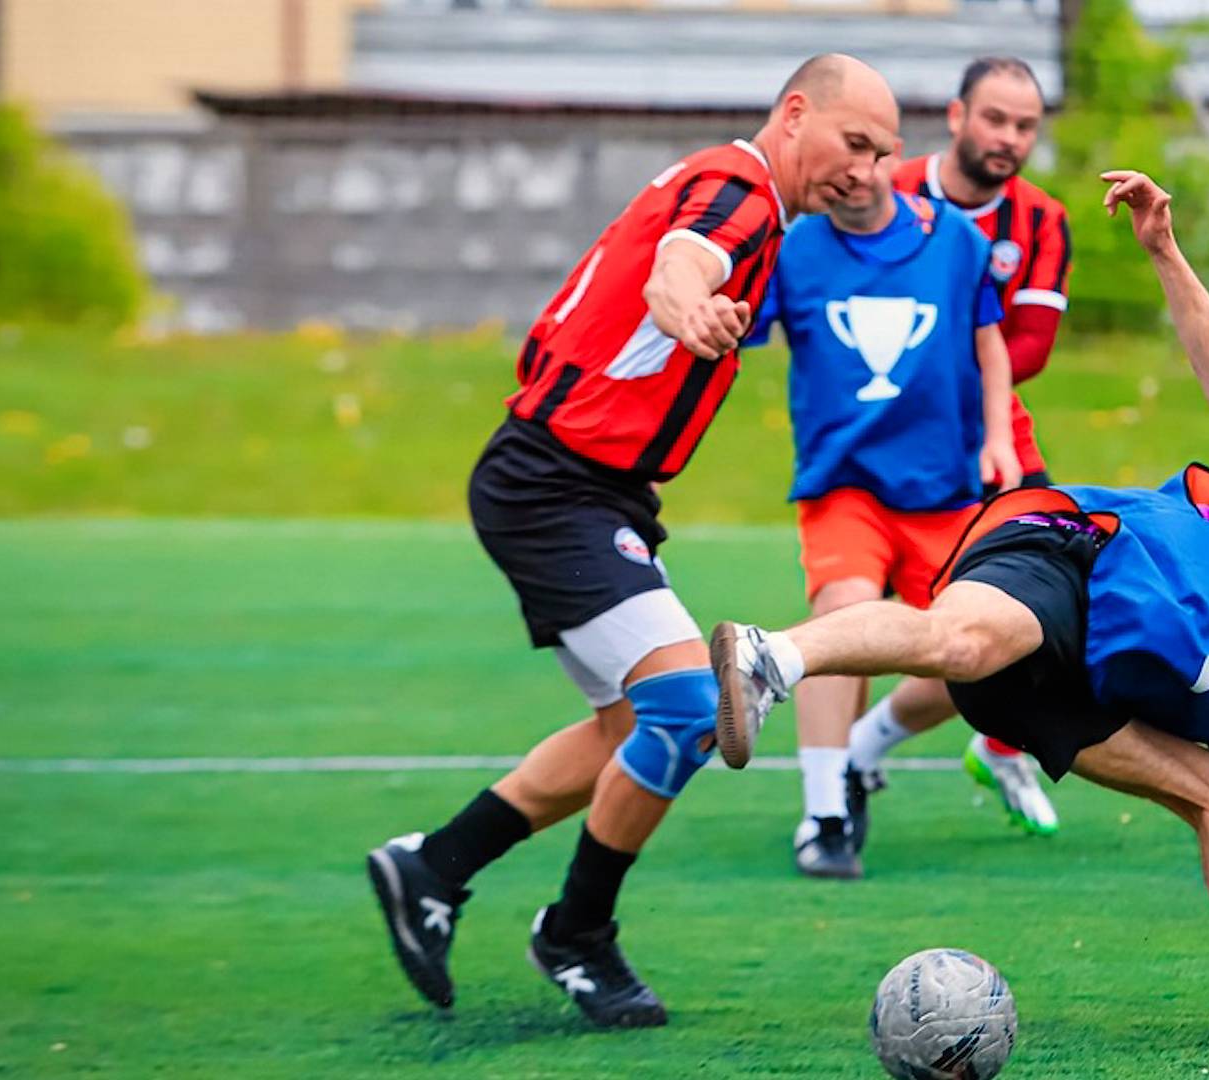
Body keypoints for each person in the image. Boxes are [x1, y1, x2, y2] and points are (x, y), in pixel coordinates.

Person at [711, 170, 1209, 1052]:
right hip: (1075, 558)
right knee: (965, 639)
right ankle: (771, 658)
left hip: (1057, 693)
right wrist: (1165, 251)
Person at [363, 54, 900, 1028]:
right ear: (794, 114)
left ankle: (433, 868)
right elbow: (678, 266)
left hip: (587, 490)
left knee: (630, 731)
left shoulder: (743, 199)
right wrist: (690, 307)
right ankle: (575, 932)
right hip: (555, 487)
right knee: (692, 708)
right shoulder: (741, 192)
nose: (864, 171)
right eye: (854, 143)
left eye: (882, 155)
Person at [743, 153, 1020, 878]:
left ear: (892, 154)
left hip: (947, 489)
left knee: (986, 649)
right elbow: (733, 331)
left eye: (869, 153)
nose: (855, 172)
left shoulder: (956, 239)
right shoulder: (793, 249)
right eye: (837, 157)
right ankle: (824, 816)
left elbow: (989, 341)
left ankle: (864, 749)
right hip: (845, 486)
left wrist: (998, 437)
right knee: (841, 613)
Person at [850, 55, 1073, 838]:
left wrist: (945, 372)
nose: (1009, 137)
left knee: (1045, 607)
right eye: (995, 119)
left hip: (994, 447)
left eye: (1025, 126)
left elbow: (1032, 345)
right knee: (856, 614)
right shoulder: (888, 191)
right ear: (956, 117)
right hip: (879, 447)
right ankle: (832, 785)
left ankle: (986, 744)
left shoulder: (1041, 220)